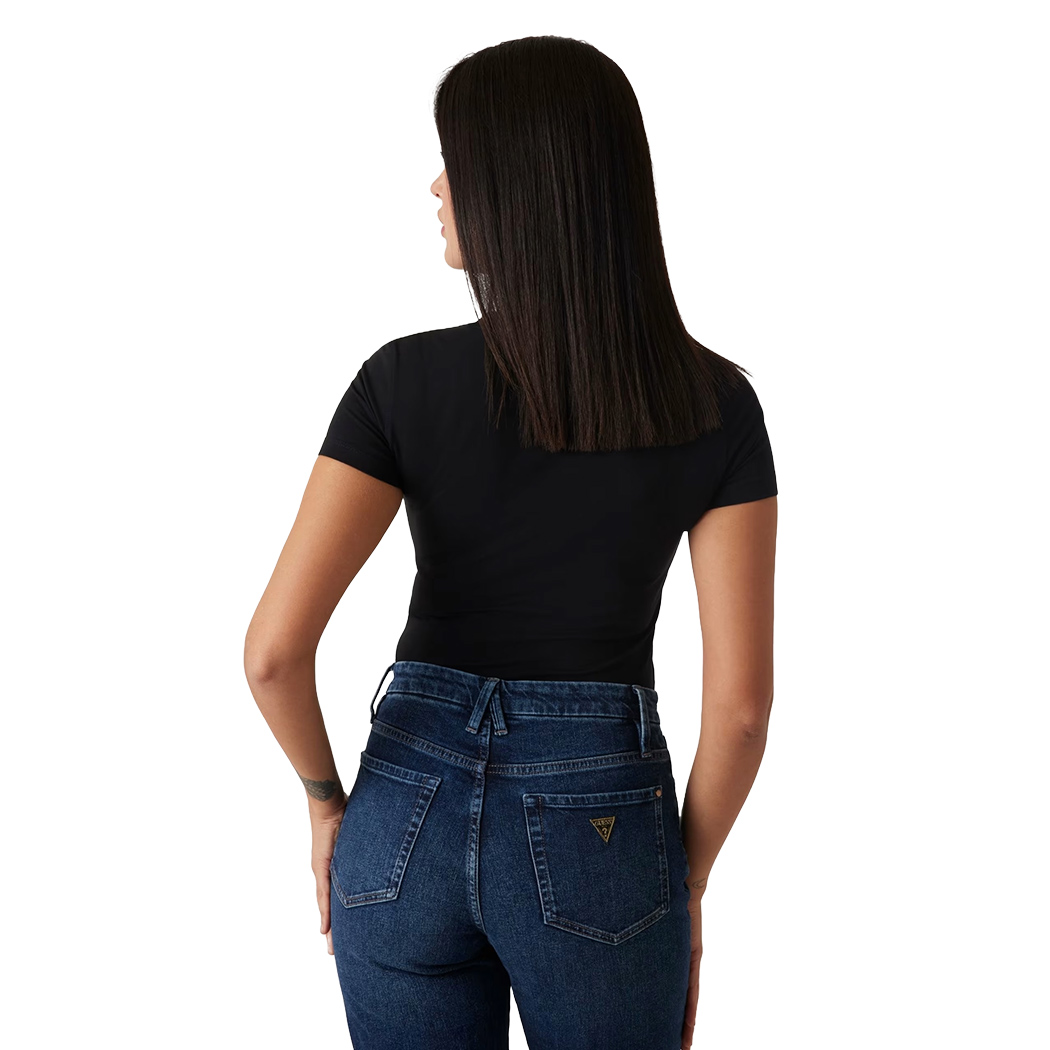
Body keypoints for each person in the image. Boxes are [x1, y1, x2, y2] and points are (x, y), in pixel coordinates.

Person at [244, 34, 777, 1050]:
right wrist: (683, 881)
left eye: (454, 160)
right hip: (601, 827)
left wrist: (324, 803)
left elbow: (272, 654)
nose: (435, 186)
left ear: (518, 188)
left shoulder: (398, 382)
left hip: (401, 814)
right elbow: (743, 712)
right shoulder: (716, 406)